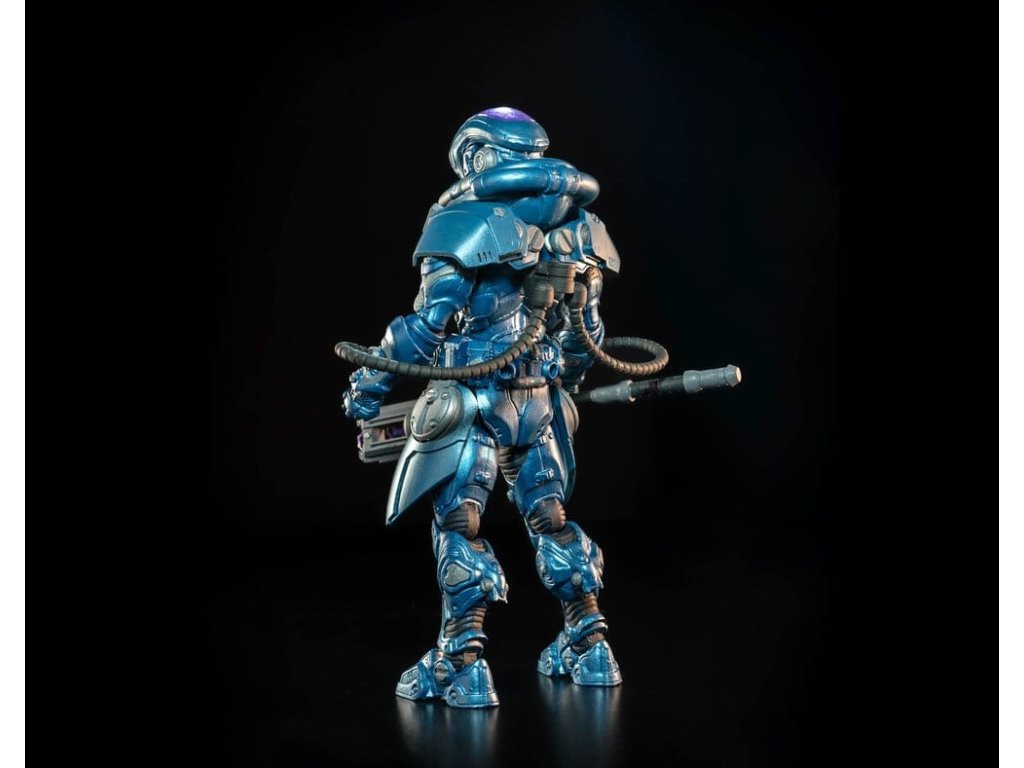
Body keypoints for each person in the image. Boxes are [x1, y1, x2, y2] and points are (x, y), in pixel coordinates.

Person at [342, 107, 626, 708]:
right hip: (539, 400)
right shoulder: (577, 226)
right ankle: (591, 644)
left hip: (475, 399)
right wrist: (565, 378)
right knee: (550, 518)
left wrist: (369, 383)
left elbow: (424, 330)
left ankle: (460, 664)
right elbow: (584, 335)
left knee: (459, 527)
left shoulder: (462, 222)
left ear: (477, 156)